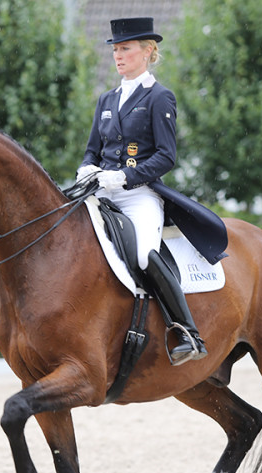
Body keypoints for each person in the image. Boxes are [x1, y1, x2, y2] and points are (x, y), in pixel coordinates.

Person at [76, 17, 207, 364]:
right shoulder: (106, 99)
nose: (118, 56)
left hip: (139, 194)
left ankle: (185, 330)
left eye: (126, 49)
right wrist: (87, 167)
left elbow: (166, 156)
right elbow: (93, 149)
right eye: (116, 50)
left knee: (143, 254)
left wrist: (124, 178)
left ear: (148, 52)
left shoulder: (160, 98)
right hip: (100, 190)